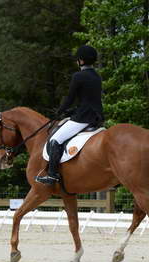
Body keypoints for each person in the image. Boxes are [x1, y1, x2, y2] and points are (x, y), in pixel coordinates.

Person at [35, 45, 104, 185]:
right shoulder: (97, 76)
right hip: (96, 118)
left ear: (81, 61)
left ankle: (52, 175)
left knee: (55, 140)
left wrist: (60, 111)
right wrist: (73, 111)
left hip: (83, 118)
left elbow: (69, 98)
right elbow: (89, 100)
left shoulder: (78, 76)